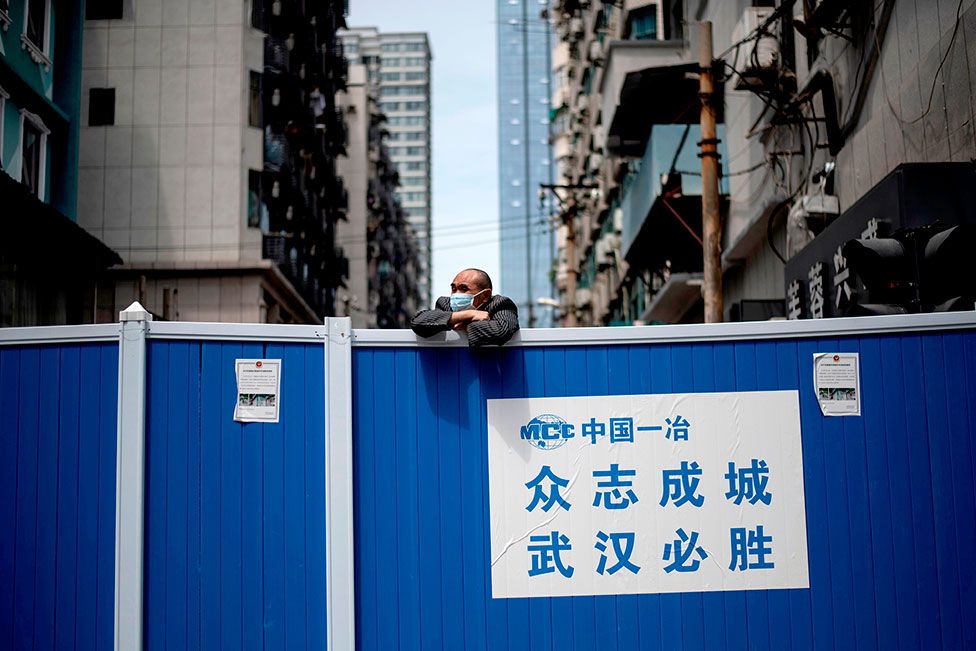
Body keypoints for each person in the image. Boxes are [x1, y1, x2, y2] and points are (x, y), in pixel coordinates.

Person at [411, 268, 519, 346]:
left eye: (464, 288)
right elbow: (418, 323)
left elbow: (501, 331)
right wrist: (468, 314)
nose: (456, 294)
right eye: (453, 289)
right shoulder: (445, 303)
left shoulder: (500, 304)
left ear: (485, 295)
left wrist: (465, 326)